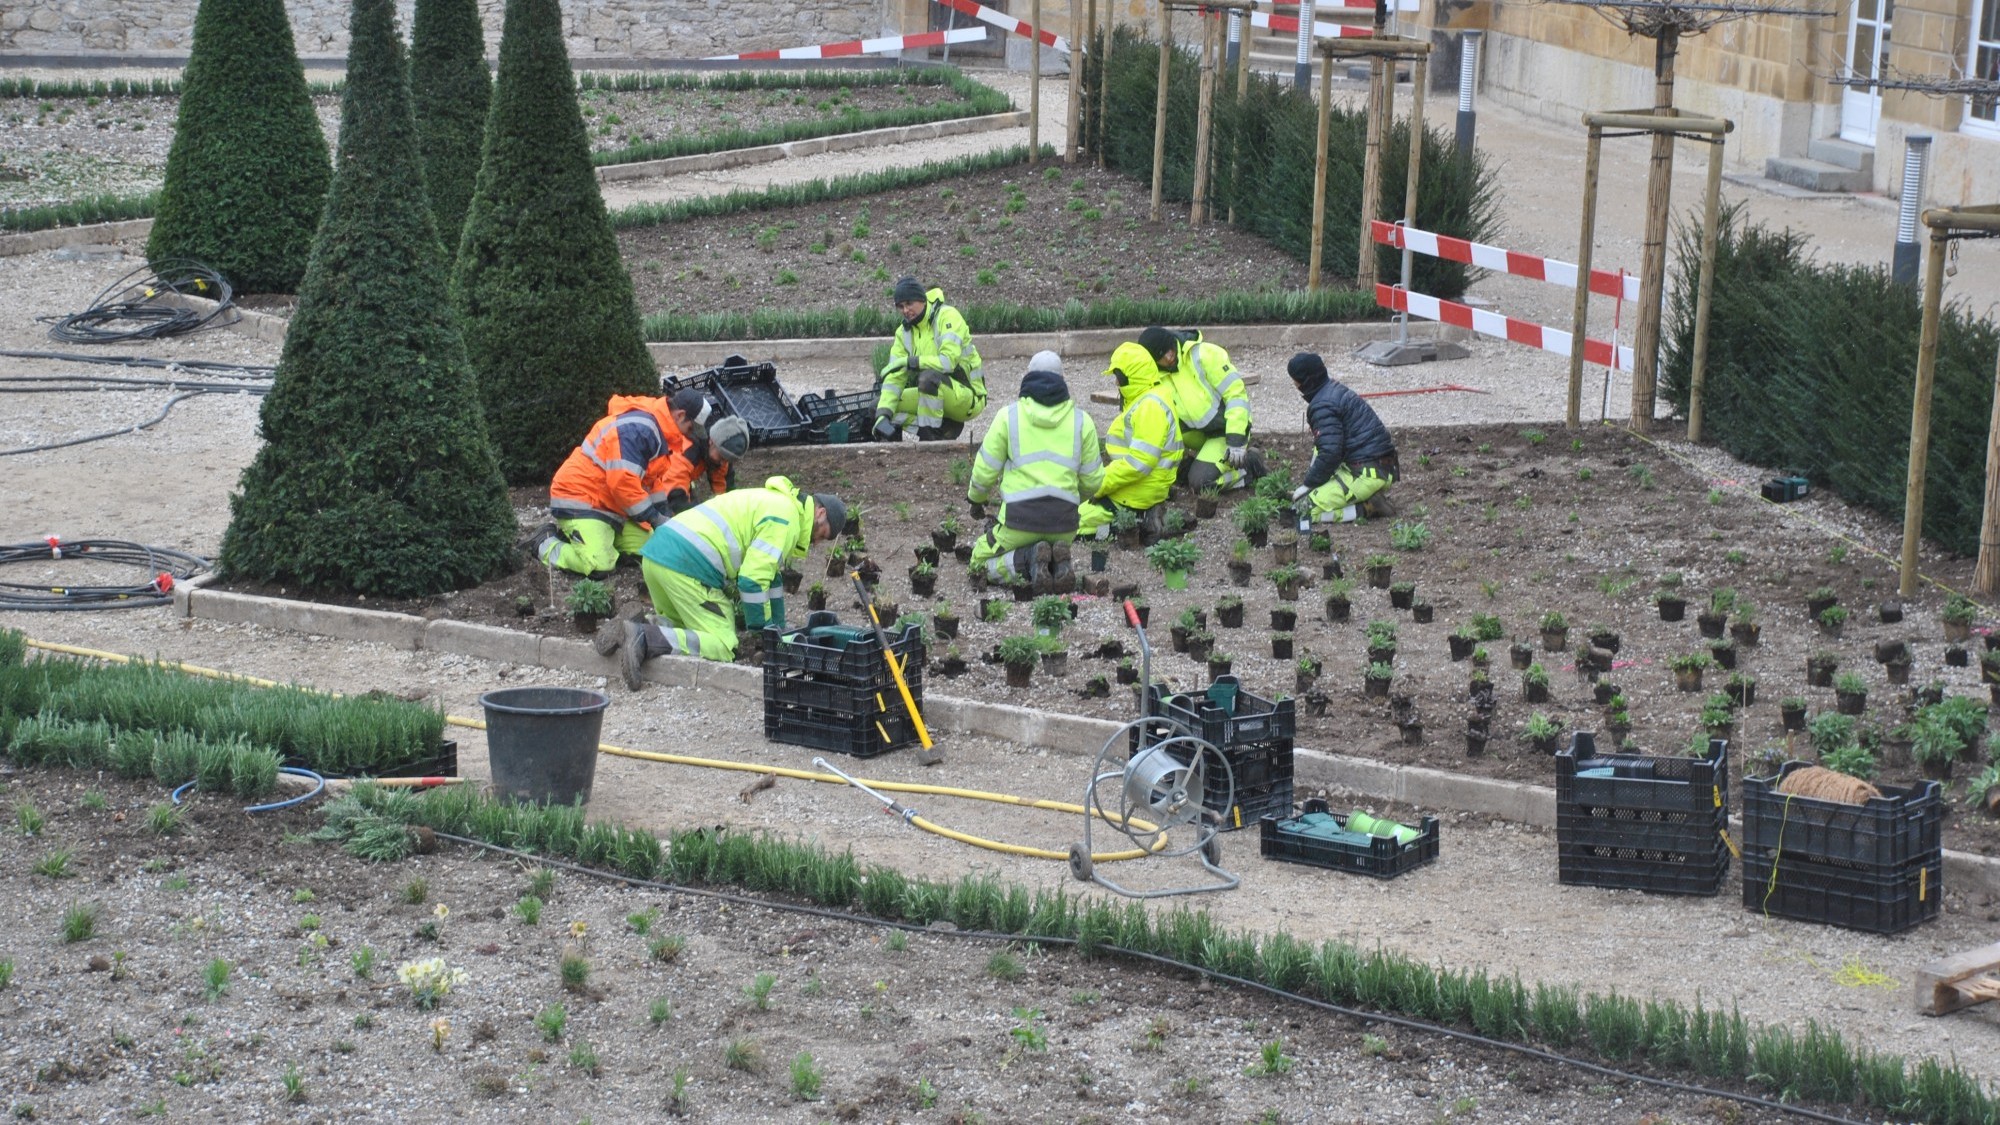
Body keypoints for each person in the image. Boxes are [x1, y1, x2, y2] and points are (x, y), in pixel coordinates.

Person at [604, 476, 845, 687]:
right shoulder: (787, 521)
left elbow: (771, 577)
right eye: (821, 534)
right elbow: (752, 580)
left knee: (688, 629)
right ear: (820, 513)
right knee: (723, 643)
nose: (816, 543)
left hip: (658, 554)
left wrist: (778, 627)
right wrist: (763, 632)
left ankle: (634, 626)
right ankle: (643, 637)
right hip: (686, 565)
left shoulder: (778, 503)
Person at [530, 391, 750, 576]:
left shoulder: (659, 431)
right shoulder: (639, 429)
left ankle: (600, 539)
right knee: (599, 565)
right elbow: (622, 483)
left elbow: (653, 483)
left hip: (613, 506)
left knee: (653, 550)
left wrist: (664, 515)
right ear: (681, 415)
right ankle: (545, 543)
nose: (691, 436)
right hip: (582, 500)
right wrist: (655, 518)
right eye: (692, 429)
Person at [966, 351, 1104, 594]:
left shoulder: (1008, 417)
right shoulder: (1083, 421)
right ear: (1063, 380)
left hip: (1019, 520)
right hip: (1065, 523)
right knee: (1050, 544)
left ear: (1027, 376)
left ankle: (1028, 559)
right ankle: (1054, 562)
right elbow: (1093, 482)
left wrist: (976, 500)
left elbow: (984, 471)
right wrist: (1072, 499)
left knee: (978, 563)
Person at [1132, 326, 1267, 493]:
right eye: (1161, 355)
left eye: (1169, 349)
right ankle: (1198, 464)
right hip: (1197, 434)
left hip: (1225, 432)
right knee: (1170, 474)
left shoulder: (1205, 354)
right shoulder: (1154, 375)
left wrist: (1236, 440)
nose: (1169, 356)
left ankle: (1248, 468)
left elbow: (1236, 396)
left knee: (1201, 484)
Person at [1075, 340, 1183, 543]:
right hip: (1144, 485)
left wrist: (1099, 484)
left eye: (1119, 378)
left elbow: (1137, 464)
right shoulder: (1151, 394)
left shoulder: (1150, 407)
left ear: (1131, 377)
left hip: (1139, 489)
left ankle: (1136, 524)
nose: (1116, 384)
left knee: (1070, 523)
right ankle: (1141, 519)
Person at [1285, 352, 1399, 523]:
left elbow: (1330, 453)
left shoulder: (1322, 406)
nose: (1294, 384)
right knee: (1322, 453)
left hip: (1367, 472)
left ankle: (1368, 508)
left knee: (1302, 512)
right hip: (1379, 465)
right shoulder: (1332, 391)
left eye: (1295, 379)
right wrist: (1311, 482)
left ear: (1305, 382)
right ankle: (1364, 497)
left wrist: (1308, 486)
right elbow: (1325, 447)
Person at [872, 275, 986, 441]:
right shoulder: (903, 333)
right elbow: (894, 380)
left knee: (928, 379)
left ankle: (931, 442)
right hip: (935, 393)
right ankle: (943, 430)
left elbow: (948, 362)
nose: (905, 310)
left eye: (909, 304)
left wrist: (912, 362)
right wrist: (883, 415)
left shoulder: (947, 317)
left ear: (923, 300)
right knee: (878, 407)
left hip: (968, 396)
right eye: (900, 306)